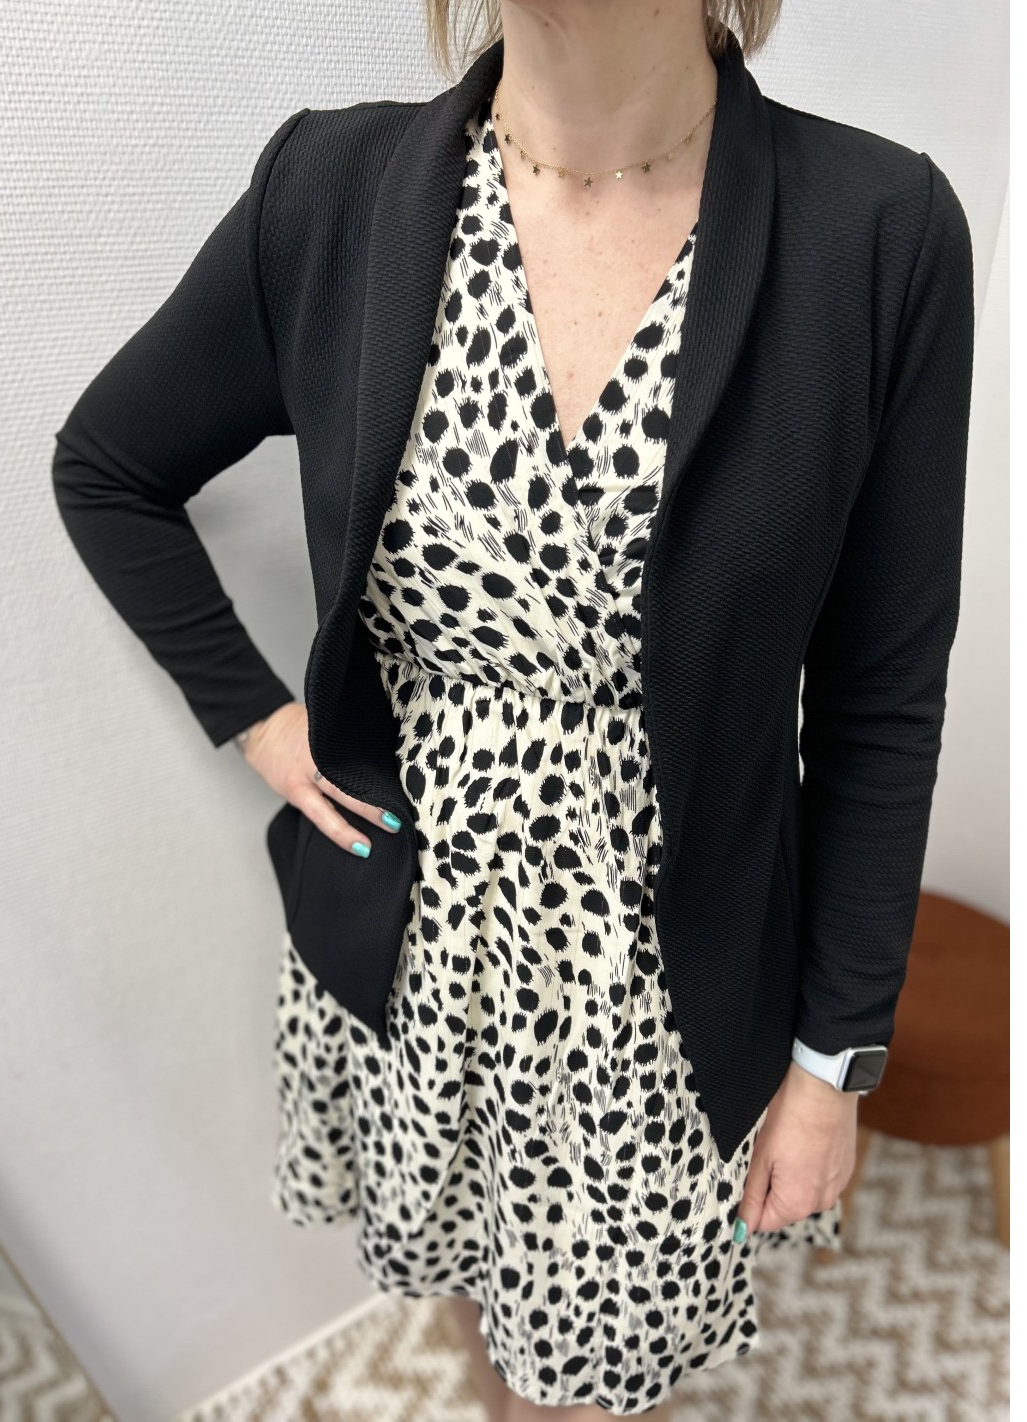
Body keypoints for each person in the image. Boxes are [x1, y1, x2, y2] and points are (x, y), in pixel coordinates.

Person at [50, 1, 975, 1417]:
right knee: (479, 1310)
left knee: (598, 1372)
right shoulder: (330, 197)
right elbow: (109, 465)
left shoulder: (878, 234)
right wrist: (260, 721)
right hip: (412, 961)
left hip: (661, 1006)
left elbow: (881, 698)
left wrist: (830, 1062)